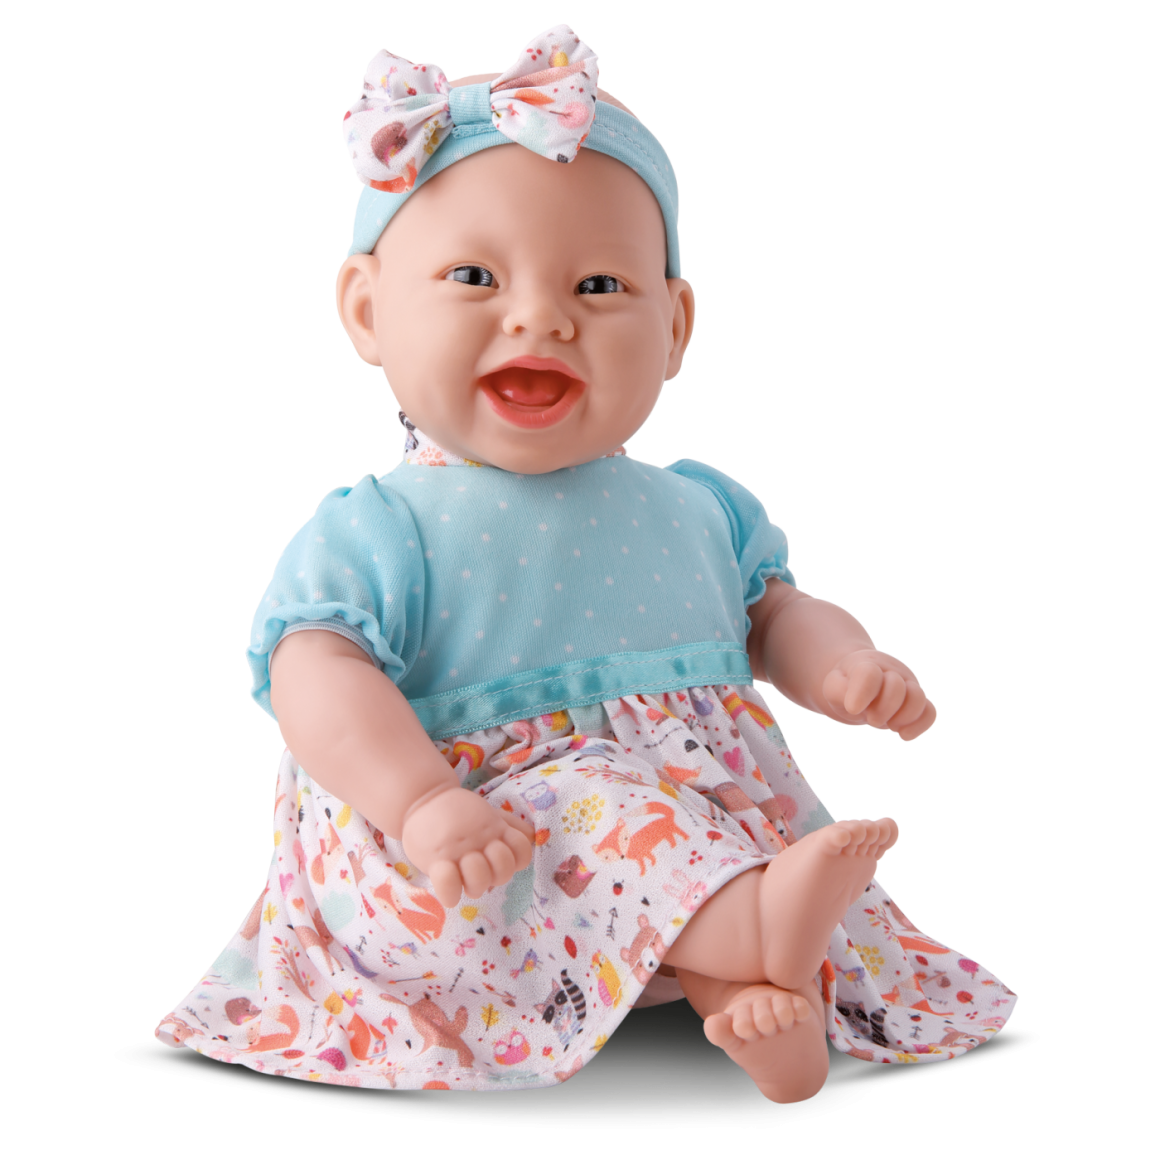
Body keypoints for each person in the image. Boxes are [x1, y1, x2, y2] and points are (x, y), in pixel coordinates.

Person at [155, 25, 1016, 1102]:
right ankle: (756, 935)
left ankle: (750, 1000)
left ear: (676, 327)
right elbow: (313, 678)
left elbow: (774, 611)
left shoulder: (696, 503)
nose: (541, 317)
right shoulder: (379, 529)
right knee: (603, 807)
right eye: (474, 275)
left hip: (685, 824)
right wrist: (420, 800)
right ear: (367, 310)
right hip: (477, 852)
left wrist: (842, 664)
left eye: (601, 285)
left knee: (694, 821)